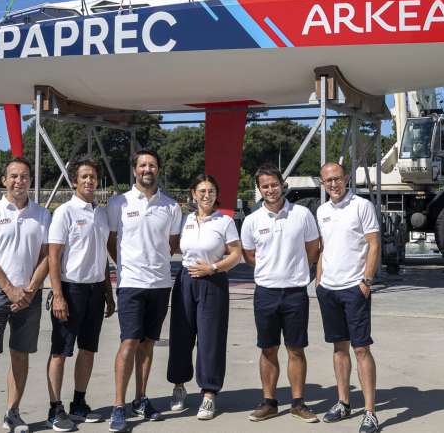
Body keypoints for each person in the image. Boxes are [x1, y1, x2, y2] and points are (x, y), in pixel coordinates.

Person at [0, 157, 51, 433]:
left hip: (29, 296)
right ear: (4, 180)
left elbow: (46, 257)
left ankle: (13, 413)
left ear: (31, 180)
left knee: (20, 354)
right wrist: (10, 290)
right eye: (13, 176)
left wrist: (30, 290)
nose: (19, 181)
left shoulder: (42, 215)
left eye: (24, 176)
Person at [106, 150, 182, 432]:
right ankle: (118, 405)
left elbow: (171, 244)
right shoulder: (119, 203)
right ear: (134, 170)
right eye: (142, 165)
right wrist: (128, 264)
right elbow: (111, 241)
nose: (146, 169)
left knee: (148, 343)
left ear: (158, 169)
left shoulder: (171, 207)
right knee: (129, 343)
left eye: (151, 164)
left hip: (160, 285)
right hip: (131, 285)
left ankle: (140, 398)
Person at [240, 164, 321, 423]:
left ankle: (298, 403)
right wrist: (271, 270)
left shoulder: (302, 215)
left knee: (296, 349)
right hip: (265, 293)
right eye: (265, 186)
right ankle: (269, 402)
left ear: (282, 184)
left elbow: (312, 249)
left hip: (295, 292)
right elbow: (250, 256)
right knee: (268, 349)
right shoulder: (252, 221)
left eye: (274, 184)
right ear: (259, 189)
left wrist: (295, 271)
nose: (270, 190)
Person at [45, 157, 116, 432]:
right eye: (84, 177)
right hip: (70, 289)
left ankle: (78, 403)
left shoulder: (101, 214)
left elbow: (102, 256)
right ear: (75, 181)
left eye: (93, 177)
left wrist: (108, 292)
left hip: (96, 289)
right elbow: (53, 257)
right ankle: (55, 407)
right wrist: (58, 295)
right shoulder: (64, 212)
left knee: (88, 349)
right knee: (60, 351)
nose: (89, 181)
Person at [167, 175, 243, 420]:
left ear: (216, 194)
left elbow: (236, 254)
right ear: (193, 194)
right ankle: (179, 386)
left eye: (211, 191)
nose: (206, 195)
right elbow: (175, 247)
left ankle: (209, 394)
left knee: (210, 338)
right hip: (186, 280)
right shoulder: (185, 220)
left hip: (213, 281)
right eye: (202, 191)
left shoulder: (225, 221)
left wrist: (213, 268)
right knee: (181, 335)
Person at [314, 162, 382, 433]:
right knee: (339, 348)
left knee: (361, 348)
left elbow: (374, 243)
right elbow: (322, 248)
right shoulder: (321, 211)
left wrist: (366, 281)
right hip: (328, 290)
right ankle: (343, 402)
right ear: (323, 183)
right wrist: (319, 281)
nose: (333, 184)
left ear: (346, 179)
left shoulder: (361, 206)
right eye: (328, 180)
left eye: (337, 179)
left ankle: (370, 412)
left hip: (355, 288)